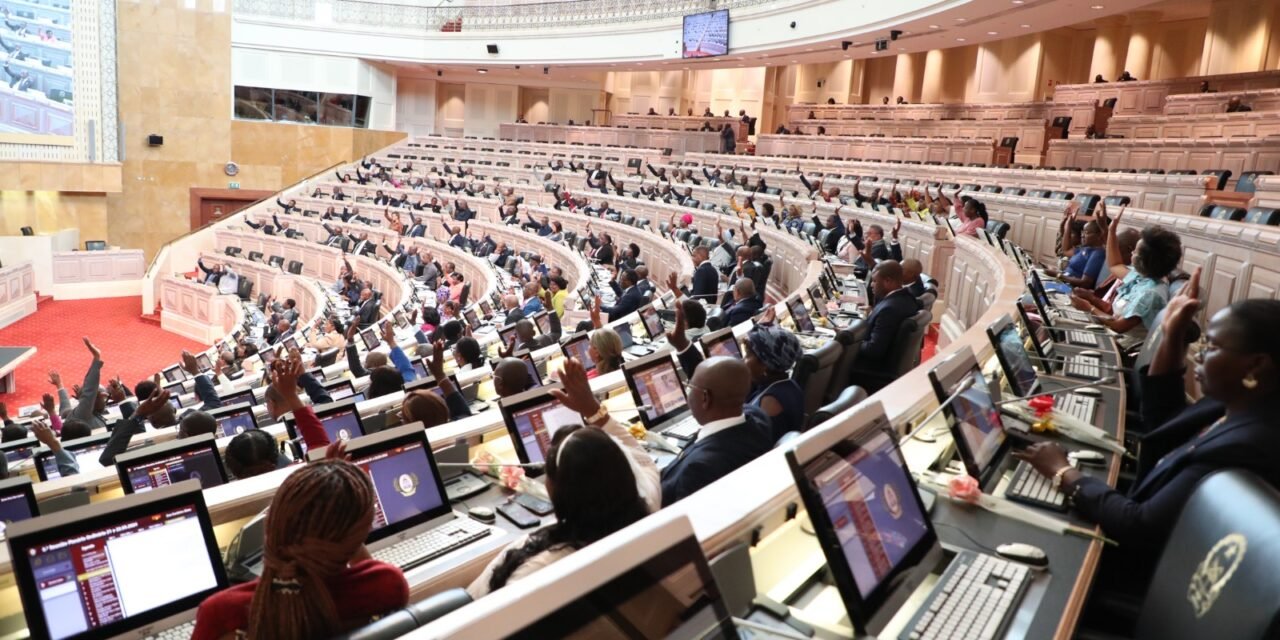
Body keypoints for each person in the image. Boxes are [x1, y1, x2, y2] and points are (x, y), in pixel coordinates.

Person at [1013, 271, 1280, 592]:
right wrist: (1173, 333)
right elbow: (1162, 422)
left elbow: (1138, 526)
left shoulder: (1252, 445)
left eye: (1211, 346)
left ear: (1255, 367)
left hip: (1137, 582)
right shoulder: (1237, 407)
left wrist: (1064, 473)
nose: (1200, 354)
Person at [468, 357, 658, 597]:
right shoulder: (648, 501)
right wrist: (592, 408)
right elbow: (642, 460)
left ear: (556, 492)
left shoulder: (533, 568)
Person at [191, 455, 409, 640]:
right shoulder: (388, 584)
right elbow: (367, 566)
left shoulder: (221, 611)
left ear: (271, 524)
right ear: (359, 535)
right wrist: (343, 504)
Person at [669, 304, 803, 441]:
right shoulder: (785, 385)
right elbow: (714, 384)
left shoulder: (769, 404)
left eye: (749, 355)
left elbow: (714, 392)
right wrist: (683, 345)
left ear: (766, 365)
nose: (743, 360)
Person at [658, 353, 773, 505]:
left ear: (705, 399)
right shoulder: (759, 419)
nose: (688, 393)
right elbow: (726, 386)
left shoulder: (698, 469)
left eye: (689, 387)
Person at [1073, 208, 1181, 349]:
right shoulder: (1140, 276)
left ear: (1145, 259)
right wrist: (1111, 231)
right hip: (1111, 339)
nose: (1131, 253)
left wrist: (1088, 307)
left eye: (1135, 251)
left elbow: (1118, 326)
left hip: (1121, 350)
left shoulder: (1151, 294)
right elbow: (1114, 264)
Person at [850, 261, 922, 391]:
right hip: (888, 365)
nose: (871, 285)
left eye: (875, 281)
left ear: (888, 281)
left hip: (869, 371)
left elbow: (874, 350)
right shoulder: (908, 298)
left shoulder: (889, 309)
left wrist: (851, 340)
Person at [1047, 206, 1107, 290]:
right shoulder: (1085, 248)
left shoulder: (1098, 254)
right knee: (1034, 278)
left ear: (1098, 235)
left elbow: (1085, 283)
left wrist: (1058, 275)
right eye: (1082, 232)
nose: (1082, 235)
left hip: (1070, 289)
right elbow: (1066, 250)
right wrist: (1068, 224)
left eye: (1086, 233)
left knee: (1037, 286)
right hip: (1063, 282)